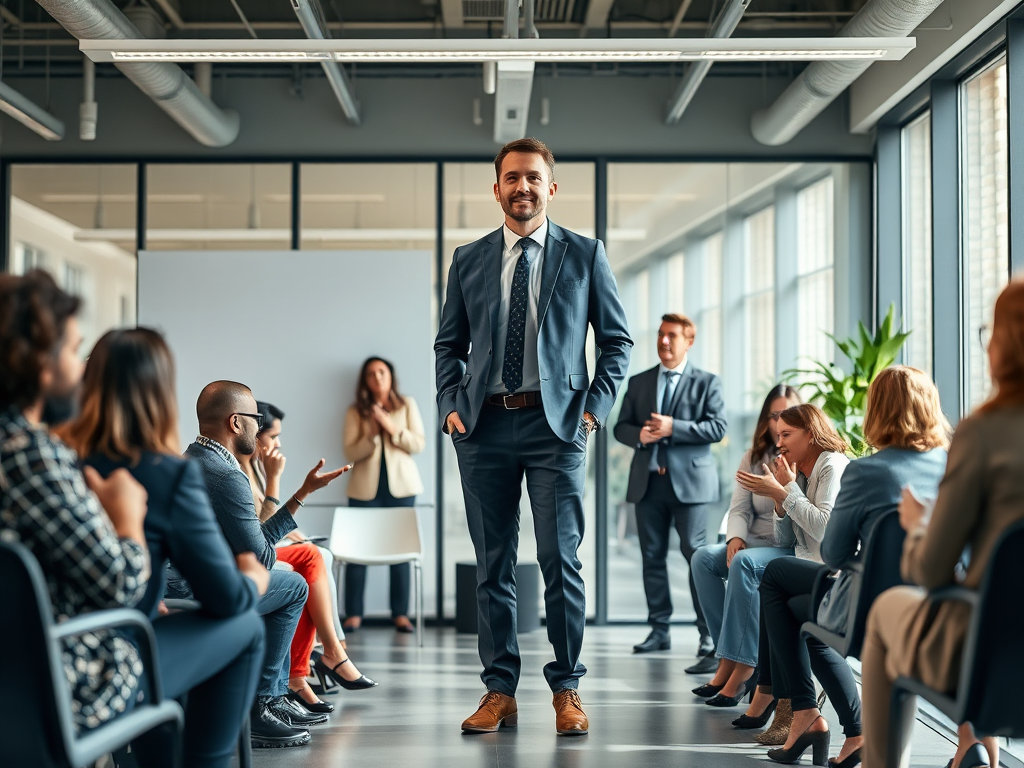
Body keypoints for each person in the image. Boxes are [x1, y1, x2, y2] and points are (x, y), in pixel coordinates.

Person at [435, 137, 632, 735]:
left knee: (559, 560)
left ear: (551, 187)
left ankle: (567, 688)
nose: (523, 187)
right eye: (512, 177)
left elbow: (617, 343)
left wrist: (592, 413)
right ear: (496, 188)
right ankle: (499, 690)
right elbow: (449, 345)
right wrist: (450, 406)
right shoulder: (468, 259)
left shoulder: (585, 253)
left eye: (533, 178)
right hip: (484, 426)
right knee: (492, 565)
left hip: (558, 429)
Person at [61, 328, 270, 768]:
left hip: (30, 665)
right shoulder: (164, 473)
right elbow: (223, 597)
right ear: (158, 394)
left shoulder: (57, 467)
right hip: (103, 667)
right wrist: (252, 578)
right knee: (246, 625)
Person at [861, 281, 1024, 768]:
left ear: (1005, 344)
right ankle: (974, 746)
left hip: (992, 647)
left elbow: (931, 572)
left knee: (885, 610)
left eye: (990, 333)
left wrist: (918, 526)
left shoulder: (985, 432)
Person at [756, 367, 948, 768]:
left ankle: (811, 716)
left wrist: (787, 494)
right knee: (796, 612)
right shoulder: (951, 467)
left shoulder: (864, 471)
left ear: (876, 410)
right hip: (943, 610)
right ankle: (824, 722)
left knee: (778, 583)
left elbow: (835, 553)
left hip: (868, 610)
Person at [0, 270, 150, 732]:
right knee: (238, 630)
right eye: (73, 351)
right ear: (40, 363)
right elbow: (121, 586)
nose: (81, 371)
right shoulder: (30, 456)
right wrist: (128, 519)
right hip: (54, 687)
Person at [181, 380, 315, 748]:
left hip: (181, 581)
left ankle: (274, 698)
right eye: (255, 419)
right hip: (195, 590)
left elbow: (250, 546)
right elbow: (262, 557)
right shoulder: (226, 475)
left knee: (285, 579)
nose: (260, 427)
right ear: (236, 422)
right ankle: (263, 704)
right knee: (294, 586)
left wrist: (300, 496)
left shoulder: (192, 459)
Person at [238, 399, 376, 715]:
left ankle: (314, 664)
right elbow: (259, 535)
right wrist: (277, 481)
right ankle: (326, 656)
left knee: (318, 555)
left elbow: (263, 523)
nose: (278, 444)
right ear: (254, 435)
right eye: (273, 436)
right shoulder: (238, 471)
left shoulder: (254, 467)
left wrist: (292, 520)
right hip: (250, 557)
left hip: (258, 550)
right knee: (312, 558)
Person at [725, 404, 849, 730]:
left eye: (786, 435)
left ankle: (777, 696)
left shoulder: (831, 465)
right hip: (811, 565)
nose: (778, 443)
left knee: (774, 578)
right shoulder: (801, 472)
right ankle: (780, 697)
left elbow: (824, 528)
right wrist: (780, 500)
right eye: (778, 435)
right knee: (776, 589)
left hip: (834, 572)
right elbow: (786, 538)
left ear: (811, 434)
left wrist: (785, 491)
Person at [613, 314, 727, 659]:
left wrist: (674, 427)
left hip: (691, 487)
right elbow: (620, 428)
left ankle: (708, 634)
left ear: (688, 341)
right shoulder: (639, 382)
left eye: (672, 335)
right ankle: (659, 630)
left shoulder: (707, 382)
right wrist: (640, 435)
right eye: (661, 334)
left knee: (697, 557)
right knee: (651, 558)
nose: (664, 341)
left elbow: (717, 428)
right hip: (648, 483)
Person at [689, 385, 802, 685]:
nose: (779, 423)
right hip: (751, 541)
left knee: (744, 562)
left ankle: (745, 664)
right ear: (765, 419)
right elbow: (739, 508)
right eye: (774, 416)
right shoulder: (753, 457)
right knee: (703, 559)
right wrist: (735, 538)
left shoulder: (802, 458)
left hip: (783, 545)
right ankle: (727, 656)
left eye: (787, 415)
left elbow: (799, 520)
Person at [342, 356, 425, 634]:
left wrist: (392, 428)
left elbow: (418, 444)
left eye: (382, 372)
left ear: (390, 376)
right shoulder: (356, 411)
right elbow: (350, 452)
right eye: (371, 374)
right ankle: (353, 613)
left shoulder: (407, 405)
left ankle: (400, 614)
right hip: (364, 489)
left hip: (402, 488)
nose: (377, 377)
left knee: (401, 549)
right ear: (364, 380)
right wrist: (374, 434)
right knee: (356, 550)